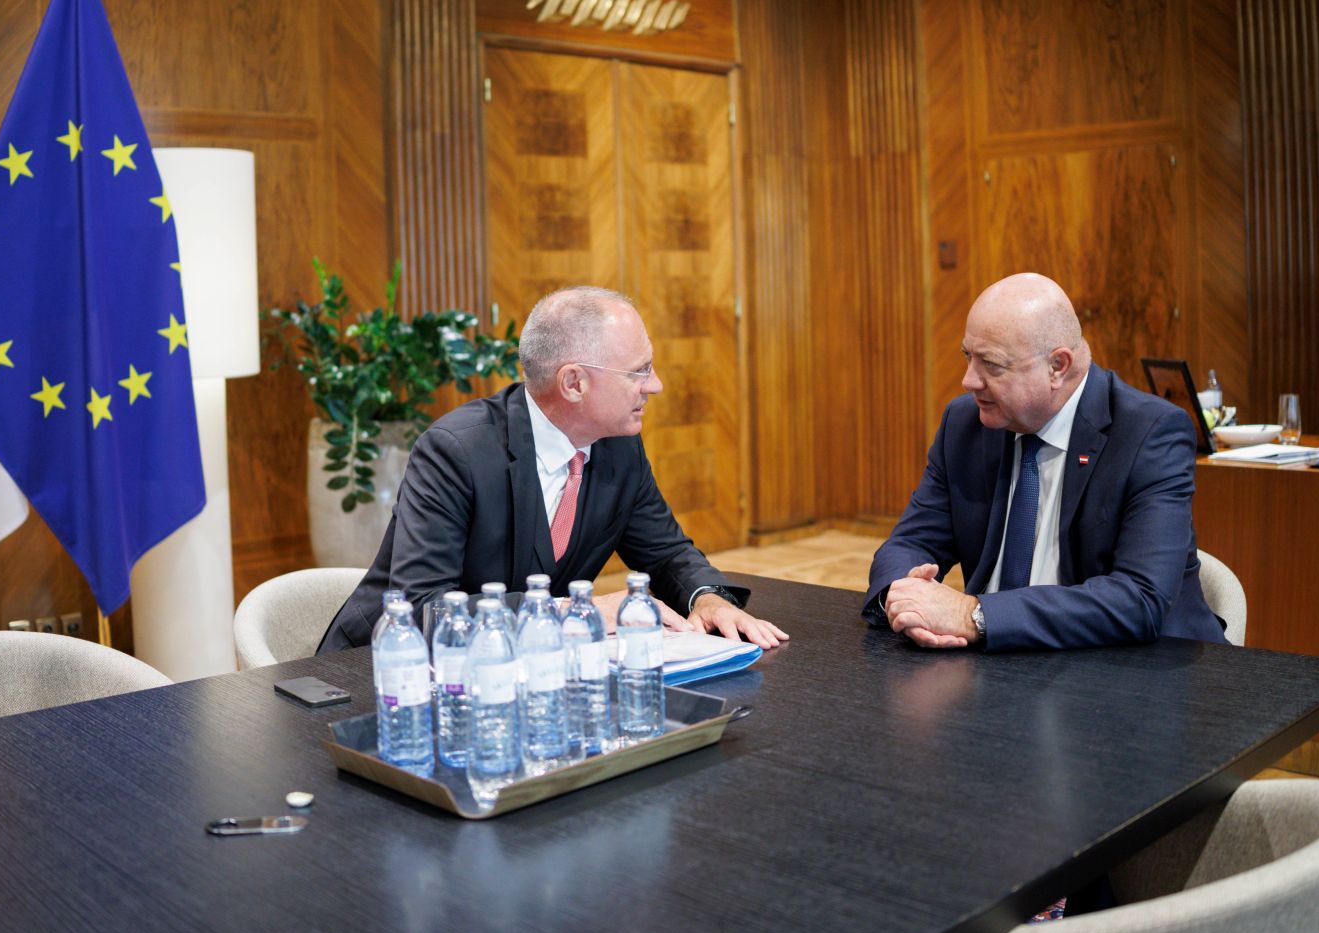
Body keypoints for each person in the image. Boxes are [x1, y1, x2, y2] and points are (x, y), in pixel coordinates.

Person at [317, 286, 789, 652]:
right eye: (639, 371)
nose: (656, 385)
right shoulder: (455, 453)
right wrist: (569, 612)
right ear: (574, 382)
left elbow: (665, 554)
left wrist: (704, 597)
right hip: (377, 677)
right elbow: (424, 609)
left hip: (515, 675)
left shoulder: (619, 447)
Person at [864, 273, 1226, 650]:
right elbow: (910, 541)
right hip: (998, 672)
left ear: (1057, 366)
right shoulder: (966, 423)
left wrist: (975, 615)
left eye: (991, 364)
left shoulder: (1148, 432)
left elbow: (1138, 599)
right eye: (968, 356)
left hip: (1137, 673)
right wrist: (906, 599)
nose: (969, 380)